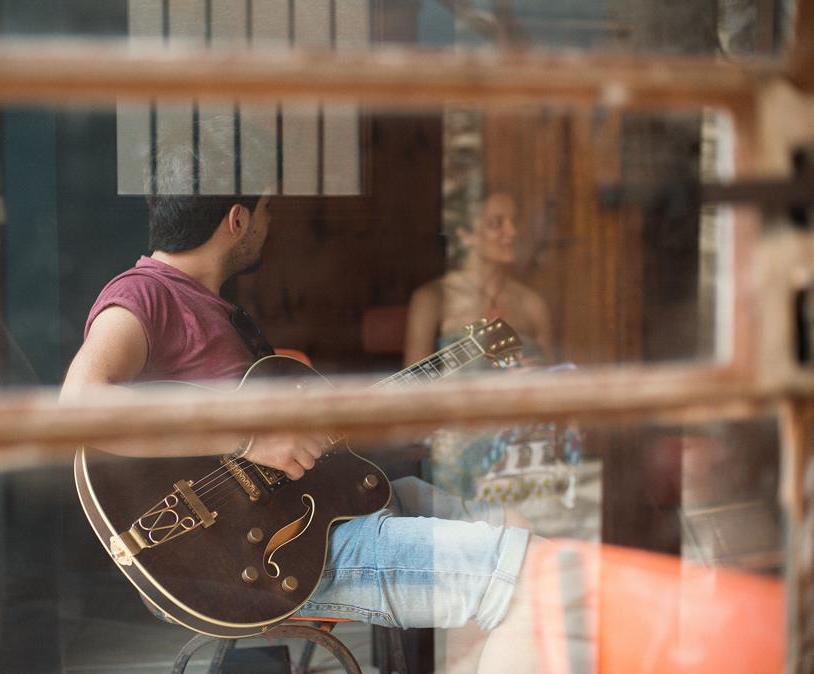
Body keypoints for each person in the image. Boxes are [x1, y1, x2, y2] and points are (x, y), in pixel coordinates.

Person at [60, 132, 541, 672]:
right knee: (531, 579)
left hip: (313, 511)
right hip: (270, 556)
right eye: (267, 209)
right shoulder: (144, 294)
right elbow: (80, 407)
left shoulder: (215, 309)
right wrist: (248, 438)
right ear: (237, 220)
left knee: (523, 531)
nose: (270, 222)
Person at [403, 191, 553, 368]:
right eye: (496, 223)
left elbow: (552, 377)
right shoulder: (432, 299)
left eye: (515, 222)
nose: (512, 232)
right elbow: (414, 382)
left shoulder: (531, 304)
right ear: (465, 235)